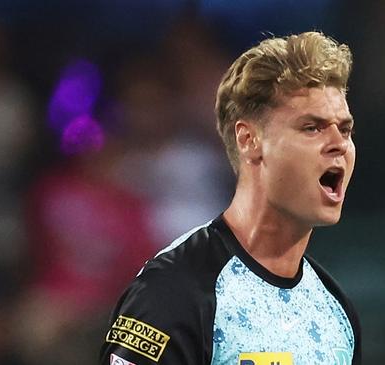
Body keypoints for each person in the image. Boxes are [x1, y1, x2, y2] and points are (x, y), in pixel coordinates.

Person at [99, 31, 361, 365]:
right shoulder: (174, 290)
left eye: (346, 129)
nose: (339, 143)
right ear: (250, 140)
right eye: (312, 127)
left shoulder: (335, 310)